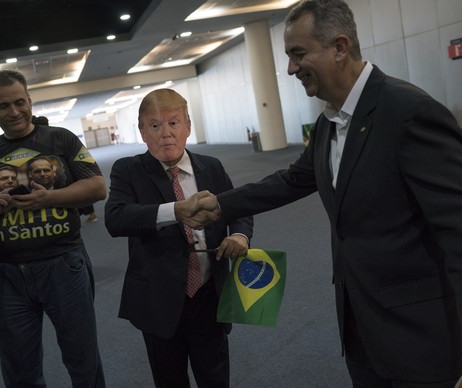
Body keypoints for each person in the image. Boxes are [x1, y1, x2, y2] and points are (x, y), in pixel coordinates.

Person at [183, 1, 462, 387]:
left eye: (298, 54)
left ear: (340, 47)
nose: (290, 68)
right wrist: (220, 205)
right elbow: (292, 180)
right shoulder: (329, 121)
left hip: (420, 334)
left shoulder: (409, 113)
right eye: (288, 56)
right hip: (361, 326)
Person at [0, 69, 106, 388]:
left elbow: (97, 187)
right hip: (7, 273)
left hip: (64, 265)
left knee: (83, 361)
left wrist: (49, 198)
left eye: (20, 102)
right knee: (20, 371)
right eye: (4, 106)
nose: (14, 112)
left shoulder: (60, 138)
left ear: (30, 101)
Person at [104, 89, 253, 388]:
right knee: (169, 379)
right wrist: (175, 211)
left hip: (209, 294)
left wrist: (239, 234)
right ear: (142, 131)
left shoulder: (211, 167)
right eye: (155, 125)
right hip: (158, 299)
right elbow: (116, 218)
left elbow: (238, 209)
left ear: (187, 125)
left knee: (215, 376)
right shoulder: (128, 170)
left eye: (173, 123)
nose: (166, 134)